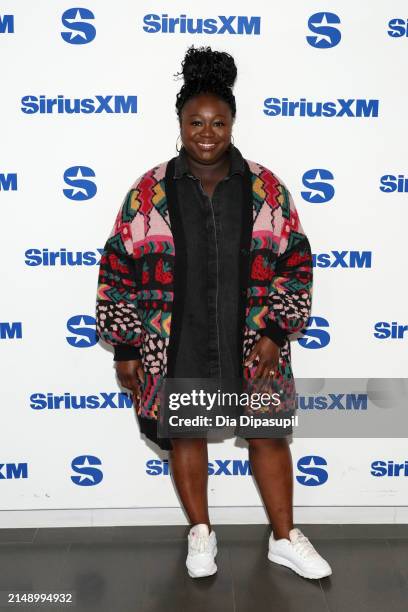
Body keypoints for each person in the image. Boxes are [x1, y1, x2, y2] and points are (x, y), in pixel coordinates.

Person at [95, 45, 332, 581]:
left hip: (253, 341)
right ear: (179, 124)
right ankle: (201, 533)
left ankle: (284, 537)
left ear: (232, 123)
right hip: (175, 339)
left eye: (218, 122)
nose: (207, 132)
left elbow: (296, 261)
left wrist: (275, 330)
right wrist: (128, 344)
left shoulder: (267, 189)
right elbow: (117, 267)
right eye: (195, 122)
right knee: (187, 434)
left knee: (269, 435)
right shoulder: (148, 192)